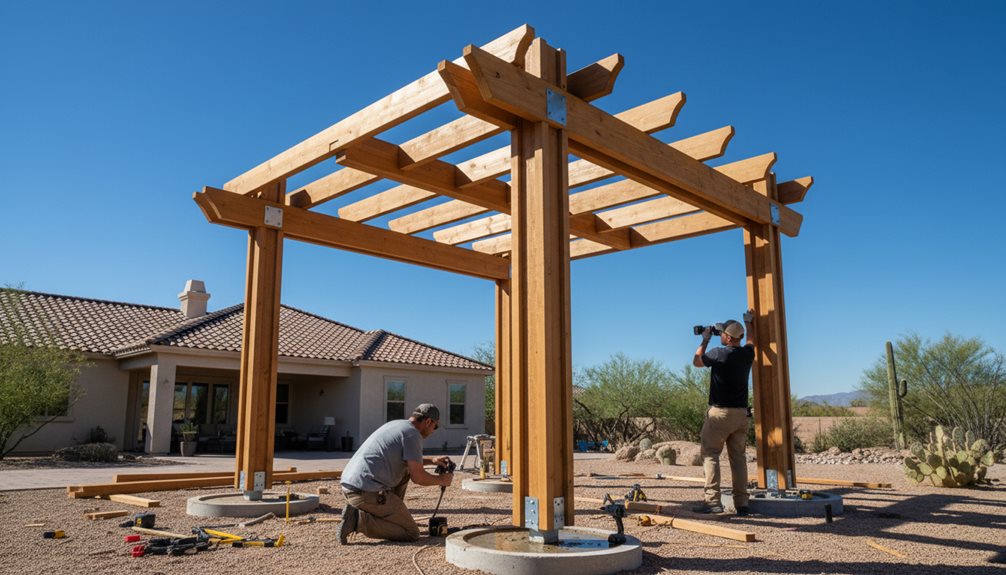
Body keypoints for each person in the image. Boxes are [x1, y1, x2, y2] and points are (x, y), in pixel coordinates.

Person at [338, 403, 454, 544]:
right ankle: (358, 520)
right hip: (366, 493)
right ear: (428, 421)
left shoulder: (397, 425)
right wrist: (442, 480)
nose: (433, 431)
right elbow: (418, 478)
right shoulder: (413, 435)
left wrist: (432, 460)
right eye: (435, 427)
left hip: (350, 487)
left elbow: (407, 459)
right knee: (411, 533)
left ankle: (384, 512)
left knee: (405, 470)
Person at [691, 311, 755, 515]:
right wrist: (749, 323)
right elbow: (751, 341)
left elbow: (697, 361)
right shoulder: (747, 354)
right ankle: (742, 503)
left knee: (710, 455)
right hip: (741, 415)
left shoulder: (719, 353)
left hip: (720, 414)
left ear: (727, 337)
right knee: (738, 459)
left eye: (721, 335)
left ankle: (713, 502)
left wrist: (705, 339)